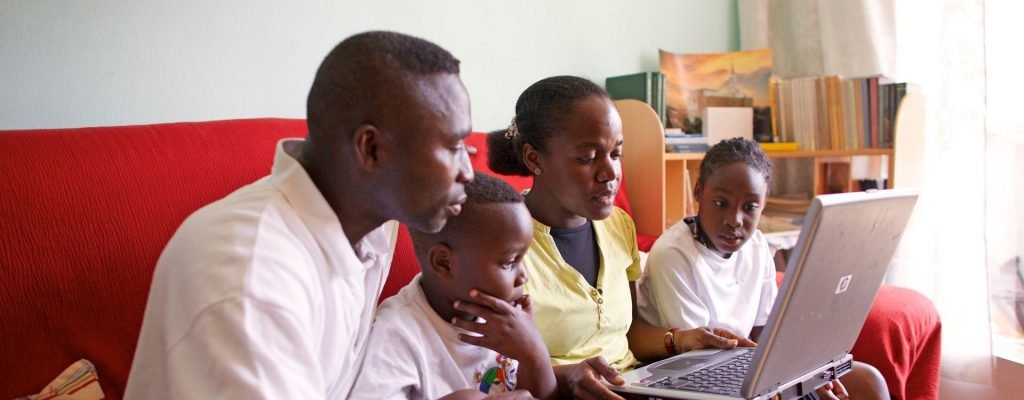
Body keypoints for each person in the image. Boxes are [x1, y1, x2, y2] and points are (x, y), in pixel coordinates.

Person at [125, 31, 474, 399]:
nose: (468, 171)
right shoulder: (250, 273)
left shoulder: (371, 221)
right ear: (371, 149)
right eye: (453, 147)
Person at [482, 76, 755, 400]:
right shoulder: (501, 244)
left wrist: (682, 340)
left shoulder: (617, 225)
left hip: (635, 386)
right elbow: (486, 372)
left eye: (616, 153)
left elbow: (629, 332)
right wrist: (563, 378)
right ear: (534, 158)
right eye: (587, 157)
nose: (610, 172)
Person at [637, 137, 890, 399]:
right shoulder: (673, 255)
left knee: (869, 382)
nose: (735, 220)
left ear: (764, 202)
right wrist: (790, 386)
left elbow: (762, 334)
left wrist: (804, 375)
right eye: (721, 203)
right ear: (699, 192)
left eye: (749, 207)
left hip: (741, 368)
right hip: (691, 376)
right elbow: (698, 356)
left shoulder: (757, 245)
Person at [349, 173, 556, 400]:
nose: (523, 276)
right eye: (509, 262)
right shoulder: (397, 334)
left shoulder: (506, 323)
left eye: (522, 258)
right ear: (444, 263)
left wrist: (533, 352)